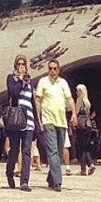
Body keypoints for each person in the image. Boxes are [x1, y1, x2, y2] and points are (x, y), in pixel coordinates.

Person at [34, 59, 77, 192]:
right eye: (50, 68)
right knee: (53, 151)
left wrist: (74, 113)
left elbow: (69, 99)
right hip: (49, 121)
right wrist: (40, 119)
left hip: (62, 122)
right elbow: (38, 101)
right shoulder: (43, 82)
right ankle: (57, 182)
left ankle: (51, 179)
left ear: (58, 70)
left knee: (58, 151)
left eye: (55, 69)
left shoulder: (63, 83)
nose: (52, 71)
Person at [5, 54, 37, 191]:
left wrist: (36, 122)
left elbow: (33, 103)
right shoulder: (11, 79)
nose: (21, 66)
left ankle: (25, 181)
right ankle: (9, 172)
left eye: (23, 64)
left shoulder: (30, 83)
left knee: (26, 151)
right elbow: (14, 93)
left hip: (28, 120)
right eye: (18, 64)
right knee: (14, 150)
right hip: (16, 120)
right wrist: (20, 81)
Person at [74, 84, 96, 175]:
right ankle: (91, 164)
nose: (76, 92)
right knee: (85, 147)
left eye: (77, 91)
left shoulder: (79, 100)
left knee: (80, 148)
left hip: (81, 126)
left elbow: (75, 112)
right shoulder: (87, 102)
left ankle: (83, 169)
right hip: (88, 125)